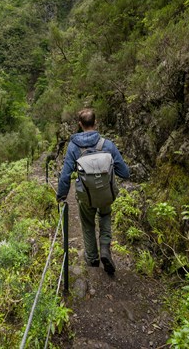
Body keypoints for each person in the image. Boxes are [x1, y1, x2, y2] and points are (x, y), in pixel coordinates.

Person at [56, 108, 130, 274]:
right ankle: (105, 248)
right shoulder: (107, 144)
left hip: (86, 196)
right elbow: (124, 172)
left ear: (80, 125)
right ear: (95, 123)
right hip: (105, 193)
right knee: (105, 216)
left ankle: (92, 260)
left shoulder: (73, 147)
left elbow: (65, 175)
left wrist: (61, 195)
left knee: (88, 224)